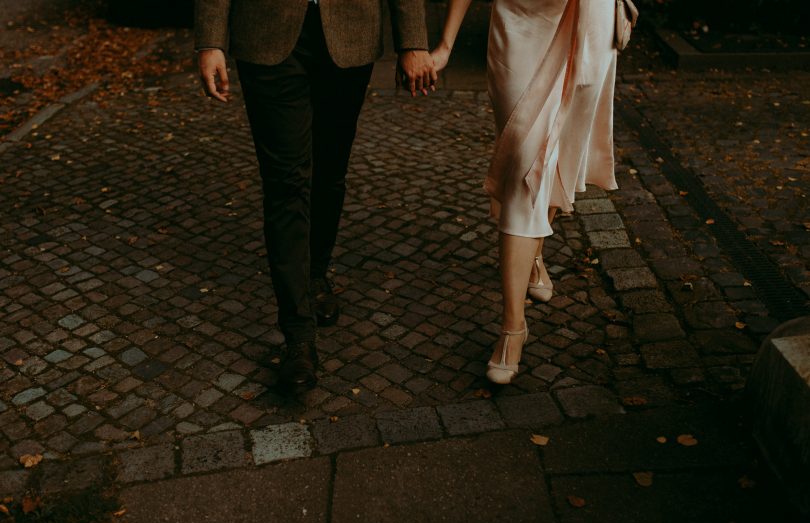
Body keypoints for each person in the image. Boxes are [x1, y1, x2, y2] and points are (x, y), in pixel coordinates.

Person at [195, 0, 436, 390]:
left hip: (350, 34)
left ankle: (316, 274)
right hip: (266, 35)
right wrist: (210, 40)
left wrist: (413, 40)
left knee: (329, 174)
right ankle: (298, 336)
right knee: (285, 183)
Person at [431, 0, 619, 384]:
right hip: (520, 25)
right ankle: (513, 326)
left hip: (588, 26)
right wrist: (446, 44)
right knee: (522, 160)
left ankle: (532, 259)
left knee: (555, 156)